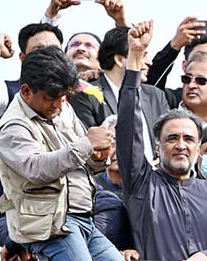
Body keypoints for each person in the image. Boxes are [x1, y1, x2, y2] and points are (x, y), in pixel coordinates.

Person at [0, 46, 145, 261]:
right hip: (52, 225)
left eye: (65, 96)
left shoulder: (61, 107)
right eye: (53, 97)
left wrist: (101, 155)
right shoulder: (11, 128)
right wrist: (88, 144)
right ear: (26, 91)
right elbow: (37, 168)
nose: (61, 104)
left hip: (82, 219)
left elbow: (86, 163)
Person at [117, 20, 207, 261]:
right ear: (158, 146)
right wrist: (135, 59)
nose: (181, 145)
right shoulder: (142, 185)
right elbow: (129, 124)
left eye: (188, 139)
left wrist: (205, 256)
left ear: (198, 149)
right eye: (172, 138)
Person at [0, 23, 64, 228]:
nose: (48, 56)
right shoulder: (7, 91)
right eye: (38, 51)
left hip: (52, 222)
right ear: (23, 59)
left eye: (55, 50)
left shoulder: (71, 99)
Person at [69, 26, 169, 163]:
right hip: (108, 179)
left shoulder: (156, 96)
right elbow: (89, 149)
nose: (149, 62)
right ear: (119, 59)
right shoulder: (86, 95)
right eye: (143, 54)